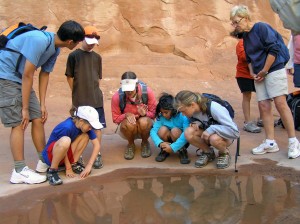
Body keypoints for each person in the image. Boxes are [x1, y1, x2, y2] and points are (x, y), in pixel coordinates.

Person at [0, 20, 85, 184]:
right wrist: (24, 108)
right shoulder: (39, 40)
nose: (77, 44)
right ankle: (19, 170)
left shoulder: (55, 48)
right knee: (19, 122)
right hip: (6, 77)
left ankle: (44, 160)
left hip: (20, 78)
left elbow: (44, 74)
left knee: (38, 117)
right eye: (78, 42)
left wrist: (42, 104)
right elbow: (28, 74)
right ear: (70, 42)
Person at [230, 5, 300, 159]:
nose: (235, 26)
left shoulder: (261, 28)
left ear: (245, 18)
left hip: (274, 69)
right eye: (233, 23)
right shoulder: (245, 37)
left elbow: (273, 49)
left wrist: (265, 70)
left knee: (280, 103)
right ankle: (270, 142)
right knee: (263, 105)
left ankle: (293, 141)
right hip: (260, 73)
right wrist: (252, 71)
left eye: (236, 22)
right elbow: (249, 58)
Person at [65, 25, 106, 169]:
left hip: (96, 99)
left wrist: (94, 91)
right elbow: (69, 77)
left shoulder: (97, 57)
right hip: (80, 99)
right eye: (89, 41)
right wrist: (75, 92)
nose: (91, 45)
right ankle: (78, 155)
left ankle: (97, 154)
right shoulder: (74, 56)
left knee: (97, 127)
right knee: (78, 127)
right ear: (82, 39)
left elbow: (98, 78)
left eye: (94, 42)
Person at [174, 90, 240, 169]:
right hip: (207, 134)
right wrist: (197, 123)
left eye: (183, 111)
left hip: (225, 135)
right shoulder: (192, 111)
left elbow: (235, 132)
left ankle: (224, 153)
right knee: (188, 132)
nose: (182, 114)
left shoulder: (214, 108)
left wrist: (211, 129)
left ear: (192, 105)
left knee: (214, 139)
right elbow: (203, 119)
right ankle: (208, 152)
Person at [42, 106, 103, 186]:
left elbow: (97, 145)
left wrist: (89, 165)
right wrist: (68, 168)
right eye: (90, 126)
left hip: (65, 153)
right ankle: (52, 170)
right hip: (52, 156)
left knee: (85, 136)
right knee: (65, 141)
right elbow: (63, 147)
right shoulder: (66, 127)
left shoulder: (84, 126)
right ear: (81, 121)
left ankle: (73, 163)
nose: (91, 128)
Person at [111, 71, 157, 160]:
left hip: (144, 124)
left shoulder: (147, 92)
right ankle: (131, 144)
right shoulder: (117, 97)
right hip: (129, 126)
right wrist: (126, 115)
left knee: (144, 122)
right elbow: (115, 118)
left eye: (130, 89)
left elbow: (154, 113)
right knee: (129, 124)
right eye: (126, 89)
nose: (128, 92)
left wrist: (145, 114)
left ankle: (145, 143)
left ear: (136, 84)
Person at [150, 93, 190, 164]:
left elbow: (186, 134)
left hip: (182, 140)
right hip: (168, 140)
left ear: (173, 109)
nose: (164, 115)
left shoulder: (182, 115)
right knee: (162, 129)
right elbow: (153, 131)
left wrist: (173, 147)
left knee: (175, 131)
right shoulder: (161, 117)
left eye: (166, 112)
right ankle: (164, 149)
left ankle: (182, 150)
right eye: (162, 112)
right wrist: (160, 143)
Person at [233, 37, 261, 133]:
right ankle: (248, 122)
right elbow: (243, 57)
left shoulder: (259, 41)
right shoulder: (241, 43)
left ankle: (262, 118)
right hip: (244, 74)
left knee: (262, 96)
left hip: (258, 73)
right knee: (247, 96)